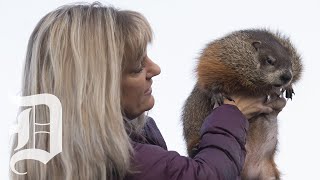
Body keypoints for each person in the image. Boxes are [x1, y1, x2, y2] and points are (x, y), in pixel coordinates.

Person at [10, 2, 286, 180]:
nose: (155, 69)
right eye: (136, 68)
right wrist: (232, 112)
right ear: (95, 88)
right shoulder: (123, 162)